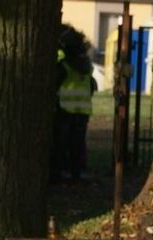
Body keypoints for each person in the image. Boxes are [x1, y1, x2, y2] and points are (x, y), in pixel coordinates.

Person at [51, 26, 96, 184]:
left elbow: (54, 85)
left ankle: (57, 173)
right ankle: (76, 173)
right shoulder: (86, 66)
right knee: (78, 144)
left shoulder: (64, 67)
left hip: (65, 110)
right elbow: (92, 87)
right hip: (82, 111)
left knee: (60, 144)